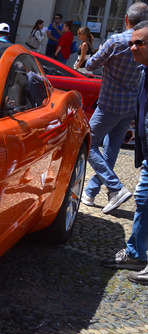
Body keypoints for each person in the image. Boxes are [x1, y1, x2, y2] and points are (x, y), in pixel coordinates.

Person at [83, 2, 148, 214]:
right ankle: (91, 192)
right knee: (111, 150)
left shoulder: (118, 41)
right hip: (131, 106)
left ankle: (115, 187)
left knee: (87, 142)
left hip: (109, 105)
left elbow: (91, 65)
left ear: (127, 20)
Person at [103, 19, 148, 282]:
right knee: (143, 200)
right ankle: (136, 254)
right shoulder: (143, 72)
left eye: (138, 43)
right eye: (131, 43)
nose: (132, 47)